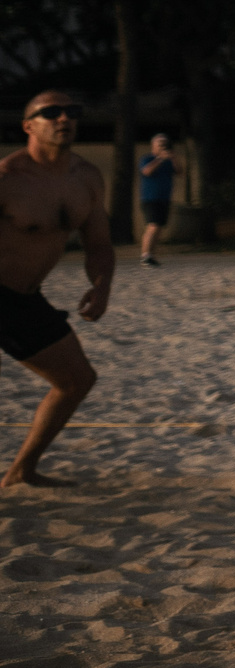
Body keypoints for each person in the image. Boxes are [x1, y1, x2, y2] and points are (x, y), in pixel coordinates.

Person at [2, 93, 111, 488]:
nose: (64, 118)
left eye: (72, 111)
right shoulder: (8, 178)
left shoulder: (86, 179)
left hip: (24, 299)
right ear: (28, 125)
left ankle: (20, 471)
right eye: (50, 113)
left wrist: (101, 286)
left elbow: (98, 244)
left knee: (76, 380)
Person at [137, 133, 177, 266]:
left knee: (159, 228)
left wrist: (172, 157)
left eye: (165, 143)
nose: (163, 146)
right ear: (153, 145)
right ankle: (145, 256)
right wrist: (160, 159)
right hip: (150, 198)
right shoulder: (147, 158)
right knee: (153, 226)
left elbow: (180, 171)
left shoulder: (169, 160)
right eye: (160, 144)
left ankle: (151, 256)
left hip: (164, 198)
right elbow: (146, 171)